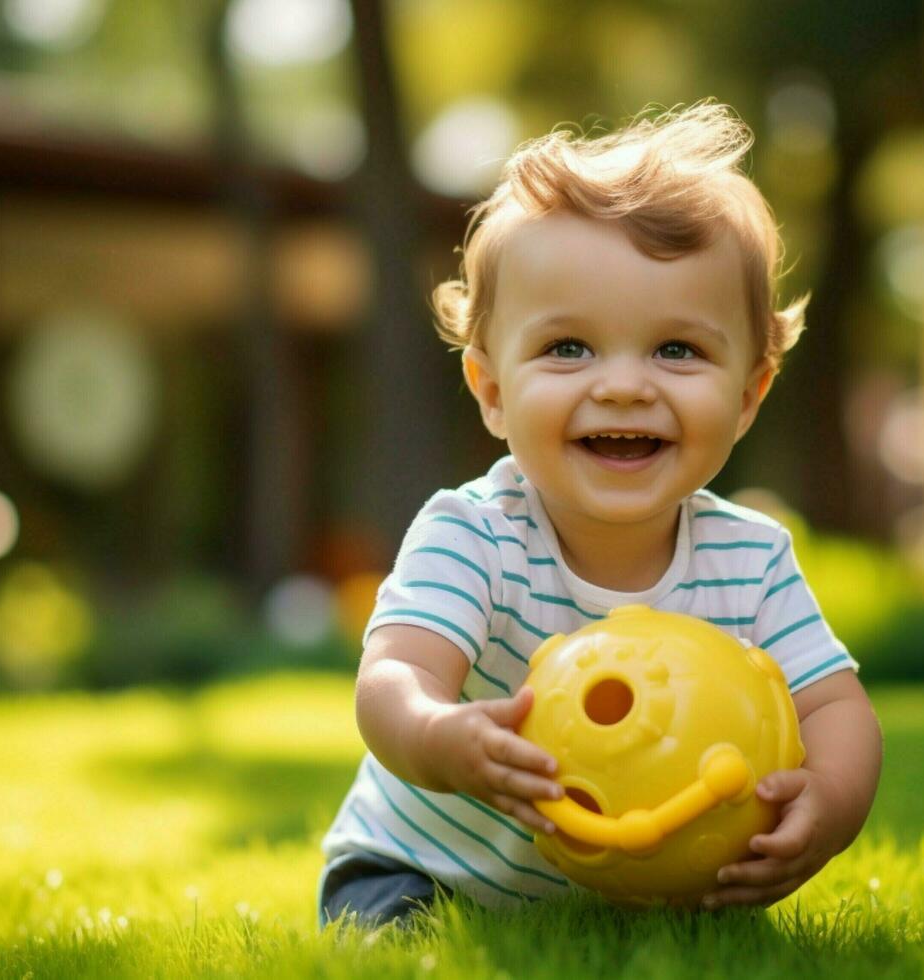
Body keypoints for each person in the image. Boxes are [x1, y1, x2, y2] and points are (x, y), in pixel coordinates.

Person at [317, 100, 884, 930]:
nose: (622, 385)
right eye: (568, 348)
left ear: (748, 395)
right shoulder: (473, 533)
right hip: (429, 871)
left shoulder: (752, 557)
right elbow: (393, 679)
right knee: (402, 940)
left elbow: (836, 709)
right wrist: (442, 736)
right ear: (493, 392)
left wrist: (828, 805)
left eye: (676, 350)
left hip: (664, 879)